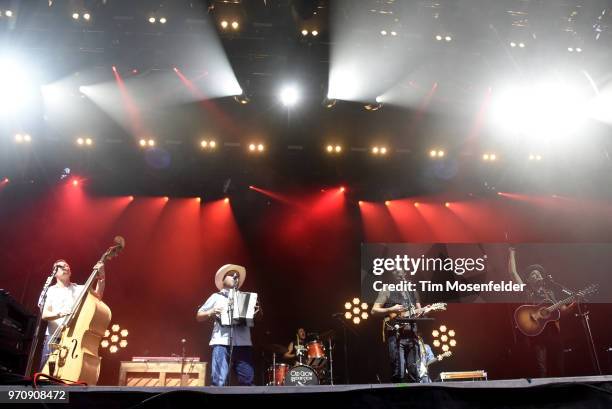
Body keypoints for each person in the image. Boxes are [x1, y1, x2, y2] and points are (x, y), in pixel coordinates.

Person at [508, 247, 574, 377]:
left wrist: (575, 302)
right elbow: (513, 273)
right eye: (534, 274)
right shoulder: (526, 291)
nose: (538, 275)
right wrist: (512, 252)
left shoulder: (549, 293)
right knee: (541, 368)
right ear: (527, 280)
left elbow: (563, 311)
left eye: (539, 273)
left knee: (559, 367)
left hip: (554, 333)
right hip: (537, 334)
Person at [196, 264, 257, 386]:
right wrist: (211, 312)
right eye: (232, 275)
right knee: (219, 381)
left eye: (238, 276)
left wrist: (257, 312)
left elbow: (258, 317)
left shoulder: (245, 298)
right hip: (221, 342)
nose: (236, 277)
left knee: (247, 381)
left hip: (243, 343)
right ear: (223, 280)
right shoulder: (216, 296)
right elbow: (199, 315)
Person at [39, 259, 105, 369]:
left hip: (72, 337)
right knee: (45, 373)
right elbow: (45, 314)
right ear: (54, 273)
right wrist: (60, 314)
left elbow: (98, 296)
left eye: (67, 266)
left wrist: (102, 277)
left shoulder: (79, 289)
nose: (66, 267)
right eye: (62, 266)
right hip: (54, 337)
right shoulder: (51, 290)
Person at [371, 269, 423, 383]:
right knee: (398, 372)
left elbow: (419, 311)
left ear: (405, 274)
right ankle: (399, 395)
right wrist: (391, 309)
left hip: (412, 335)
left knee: (414, 371)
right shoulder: (386, 290)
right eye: (395, 272)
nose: (399, 274)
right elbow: (374, 311)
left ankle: (416, 397)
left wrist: (426, 310)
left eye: (401, 272)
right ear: (392, 275)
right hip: (396, 336)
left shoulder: (412, 291)